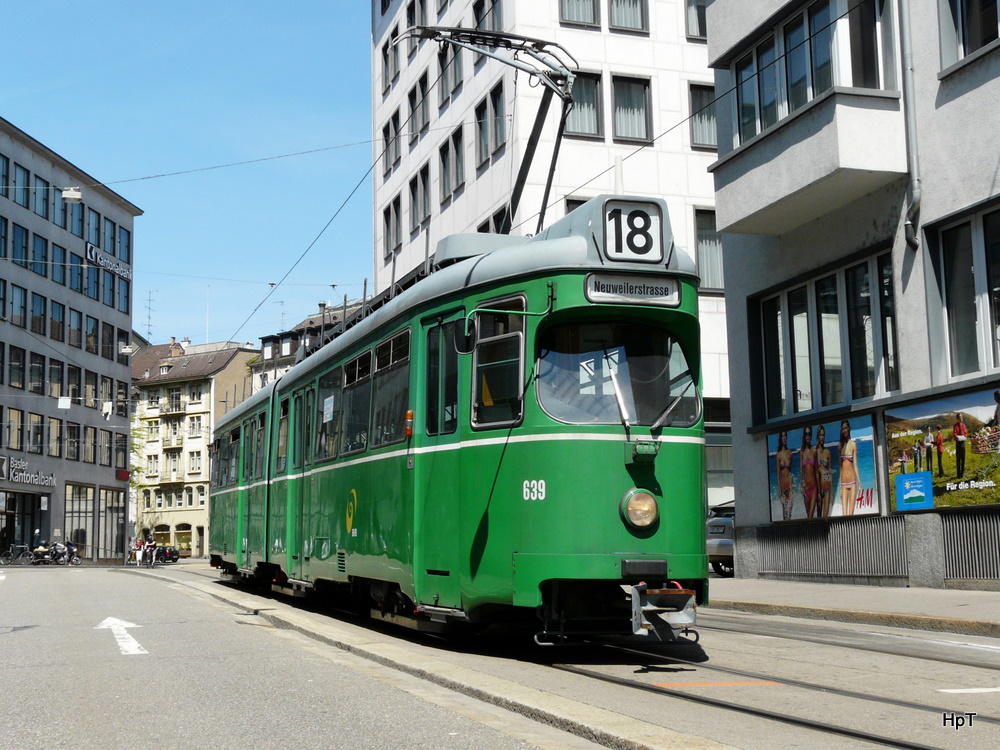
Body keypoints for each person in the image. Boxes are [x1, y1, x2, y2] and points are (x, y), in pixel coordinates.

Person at [839, 420, 860, 516]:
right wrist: (839, 487)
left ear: (849, 428)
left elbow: (855, 464)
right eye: (843, 428)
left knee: (851, 515)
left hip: (852, 482)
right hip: (844, 483)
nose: (844, 430)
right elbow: (840, 468)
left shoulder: (853, 444)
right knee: (844, 515)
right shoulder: (840, 446)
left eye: (846, 428)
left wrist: (859, 482)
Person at [800, 426, 818, 518]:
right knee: (808, 517)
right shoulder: (802, 452)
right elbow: (801, 472)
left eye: (809, 434)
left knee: (811, 516)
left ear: (811, 436)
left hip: (814, 487)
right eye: (806, 434)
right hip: (806, 488)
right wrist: (802, 487)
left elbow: (816, 471)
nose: (807, 436)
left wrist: (819, 489)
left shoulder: (814, 450)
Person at [776, 430, 793, 521]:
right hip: (783, 487)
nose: (784, 438)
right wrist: (780, 492)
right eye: (782, 436)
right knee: (784, 514)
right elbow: (778, 475)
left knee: (789, 514)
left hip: (790, 486)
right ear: (780, 438)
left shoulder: (790, 453)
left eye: (785, 436)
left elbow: (791, 471)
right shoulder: (778, 455)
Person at [816, 425, 834, 518]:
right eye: (820, 435)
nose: (822, 437)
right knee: (819, 517)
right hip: (818, 489)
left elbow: (830, 471)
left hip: (827, 488)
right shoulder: (815, 452)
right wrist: (818, 492)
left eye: (823, 435)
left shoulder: (828, 452)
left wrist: (832, 491)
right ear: (817, 436)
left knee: (825, 517)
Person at [954, 413, 968, 478]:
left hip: (963, 443)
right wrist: (958, 437)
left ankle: (962, 473)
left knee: (963, 459)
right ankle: (958, 474)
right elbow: (955, 434)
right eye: (960, 417)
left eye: (962, 417)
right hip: (958, 444)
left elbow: (966, 434)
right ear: (957, 418)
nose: (961, 418)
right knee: (958, 459)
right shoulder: (955, 426)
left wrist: (963, 436)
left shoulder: (964, 425)